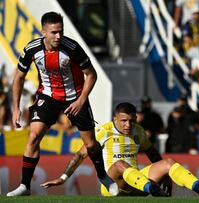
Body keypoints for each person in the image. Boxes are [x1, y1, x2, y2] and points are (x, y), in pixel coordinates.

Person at [7, 12, 118, 196]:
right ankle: (25, 186)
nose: (58, 36)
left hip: (74, 96)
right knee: (33, 136)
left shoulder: (72, 48)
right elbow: (19, 77)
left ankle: (102, 176)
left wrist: (81, 101)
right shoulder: (32, 49)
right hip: (48, 96)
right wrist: (15, 108)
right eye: (54, 32)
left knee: (90, 145)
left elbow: (91, 75)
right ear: (43, 31)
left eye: (61, 31)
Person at [41, 102, 199, 197]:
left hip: (137, 182)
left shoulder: (139, 131)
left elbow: (152, 153)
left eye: (131, 120)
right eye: (123, 121)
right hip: (113, 185)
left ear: (136, 118)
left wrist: (165, 175)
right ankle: (153, 190)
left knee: (169, 162)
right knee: (120, 163)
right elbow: (80, 155)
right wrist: (63, 177)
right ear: (115, 119)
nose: (128, 125)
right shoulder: (103, 131)